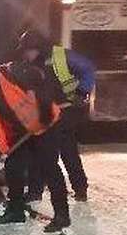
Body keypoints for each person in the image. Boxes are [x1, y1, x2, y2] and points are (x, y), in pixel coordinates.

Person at [0, 60, 69, 233]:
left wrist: (44, 115)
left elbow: (40, 84)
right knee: (13, 166)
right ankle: (15, 210)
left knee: (49, 167)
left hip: (46, 124)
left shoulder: (13, 71)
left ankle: (62, 215)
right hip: (23, 130)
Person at [19, 30, 96, 205]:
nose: (26, 54)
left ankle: (40, 192)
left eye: (27, 51)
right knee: (51, 149)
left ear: (37, 48)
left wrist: (82, 91)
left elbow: (88, 67)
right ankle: (74, 188)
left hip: (65, 110)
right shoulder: (31, 65)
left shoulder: (61, 56)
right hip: (47, 112)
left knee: (57, 150)